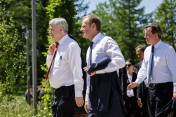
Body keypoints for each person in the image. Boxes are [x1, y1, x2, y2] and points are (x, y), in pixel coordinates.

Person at [80, 15, 126, 117]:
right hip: (94, 94)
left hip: (108, 93)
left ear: (93, 26)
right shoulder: (89, 48)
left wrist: (97, 71)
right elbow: (90, 75)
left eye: (84, 26)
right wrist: (87, 98)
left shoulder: (106, 41)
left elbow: (120, 61)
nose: (81, 29)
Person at [127, 24, 176, 117]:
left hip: (165, 90)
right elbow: (144, 69)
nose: (145, 37)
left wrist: (175, 90)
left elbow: (175, 71)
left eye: (147, 34)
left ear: (156, 35)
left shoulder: (168, 49)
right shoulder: (147, 50)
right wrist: (136, 82)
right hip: (150, 90)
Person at [46, 18, 84, 117]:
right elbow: (52, 68)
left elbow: (77, 70)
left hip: (68, 92)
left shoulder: (71, 45)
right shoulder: (58, 46)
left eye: (51, 29)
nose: (50, 32)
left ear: (61, 29)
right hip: (59, 92)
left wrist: (79, 93)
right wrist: (50, 54)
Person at [135, 45, 149, 117]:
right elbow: (139, 81)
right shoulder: (139, 64)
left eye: (139, 54)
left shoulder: (153, 61)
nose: (138, 56)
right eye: (137, 54)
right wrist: (138, 96)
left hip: (154, 90)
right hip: (144, 93)